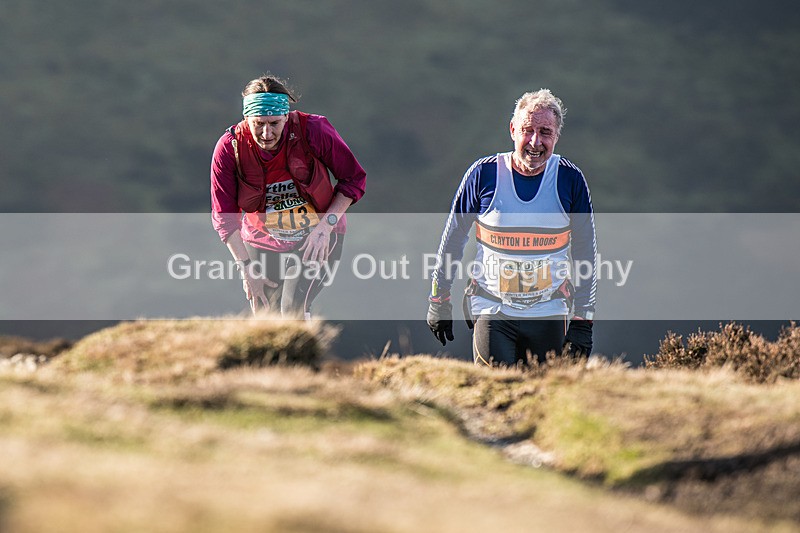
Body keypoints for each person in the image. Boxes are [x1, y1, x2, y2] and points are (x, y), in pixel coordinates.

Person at [427, 89, 596, 366]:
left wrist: (583, 320)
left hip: (549, 310)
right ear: (513, 130)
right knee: (496, 387)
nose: (535, 142)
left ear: (556, 136)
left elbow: (585, 251)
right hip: (492, 308)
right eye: (527, 131)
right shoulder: (483, 174)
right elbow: (453, 239)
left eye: (545, 132)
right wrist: (439, 299)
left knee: (543, 393)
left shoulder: (570, 178)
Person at [211, 74, 366, 317]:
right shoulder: (230, 147)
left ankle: (302, 338)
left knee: (292, 309)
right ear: (246, 119)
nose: (266, 134)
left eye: (274, 123)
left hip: (317, 234)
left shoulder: (313, 129)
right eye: (258, 124)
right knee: (266, 316)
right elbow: (224, 217)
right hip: (262, 238)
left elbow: (353, 179)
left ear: (286, 116)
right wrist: (246, 268)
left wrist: (325, 227)